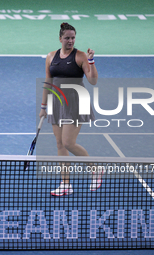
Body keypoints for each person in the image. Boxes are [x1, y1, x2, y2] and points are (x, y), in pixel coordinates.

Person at [39, 23, 104, 196]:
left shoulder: (81, 56)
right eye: (67, 38)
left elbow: (93, 80)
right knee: (60, 144)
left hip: (75, 102)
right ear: (60, 38)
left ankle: (95, 169)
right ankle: (65, 184)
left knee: (68, 143)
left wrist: (91, 61)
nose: (70, 40)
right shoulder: (51, 56)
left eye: (73, 37)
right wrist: (43, 106)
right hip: (56, 103)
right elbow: (48, 81)